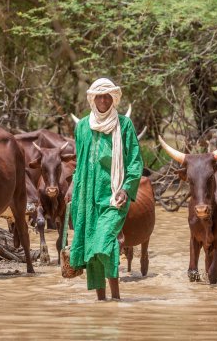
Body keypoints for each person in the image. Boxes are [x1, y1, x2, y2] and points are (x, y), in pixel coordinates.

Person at [70, 78, 143, 301]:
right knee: (91, 246)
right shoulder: (82, 126)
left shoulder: (124, 125)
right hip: (86, 197)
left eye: (107, 96)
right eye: (99, 96)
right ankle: (103, 302)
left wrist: (126, 188)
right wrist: (73, 190)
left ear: (113, 99)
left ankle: (117, 297)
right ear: (92, 99)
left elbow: (135, 161)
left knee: (104, 242)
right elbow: (80, 161)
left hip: (114, 196)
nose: (103, 100)